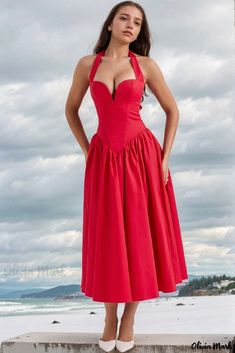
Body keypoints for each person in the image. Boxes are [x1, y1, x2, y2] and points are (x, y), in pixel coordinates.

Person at [65, 1, 189, 352]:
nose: (130, 26)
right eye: (124, 18)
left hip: (142, 157)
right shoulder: (87, 65)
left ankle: (130, 318)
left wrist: (164, 159)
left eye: (137, 22)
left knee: (139, 235)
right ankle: (109, 318)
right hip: (104, 159)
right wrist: (89, 150)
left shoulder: (146, 65)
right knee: (108, 238)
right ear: (110, 24)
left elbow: (172, 110)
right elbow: (70, 109)